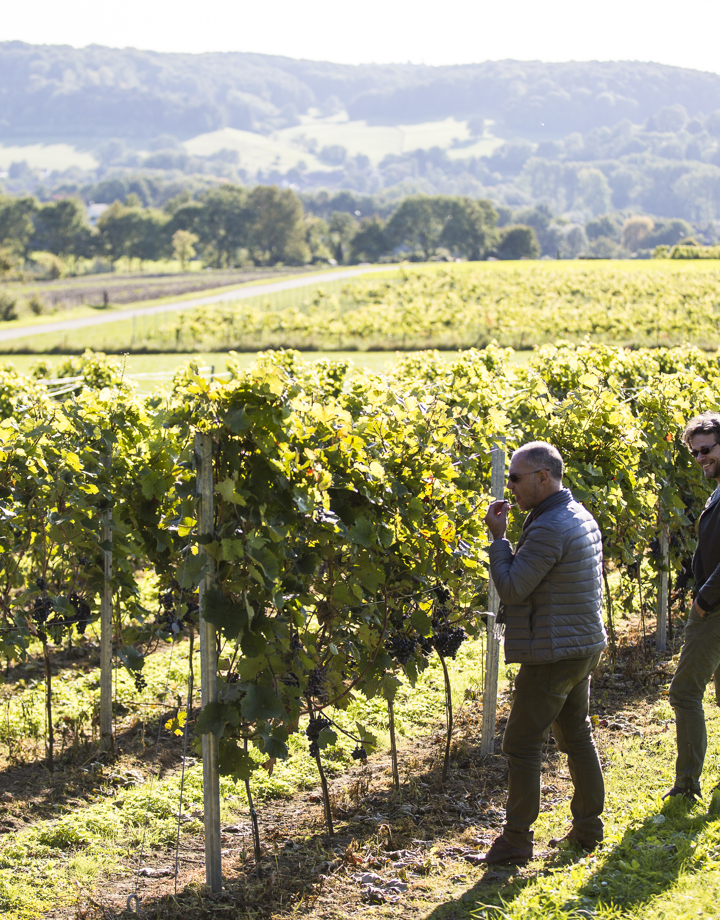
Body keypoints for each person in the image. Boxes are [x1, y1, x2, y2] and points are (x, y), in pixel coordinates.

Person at [480, 441, 607, 866]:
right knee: (575, 734)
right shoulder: (575, 514)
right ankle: (588, 828)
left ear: (542, 478)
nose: (508, 486)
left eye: (514, 478)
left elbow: (514, 587)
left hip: (554, 652)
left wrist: (498, 541)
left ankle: (516, 840)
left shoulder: (550, 526)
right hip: (580, 644)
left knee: (521, 743)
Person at [665, 411, 720, 802]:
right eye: (695, 453)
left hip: (715, 608)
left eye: (707, 450)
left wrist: (703, 600)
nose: (701, 458)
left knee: (684, 693)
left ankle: (686, 786)